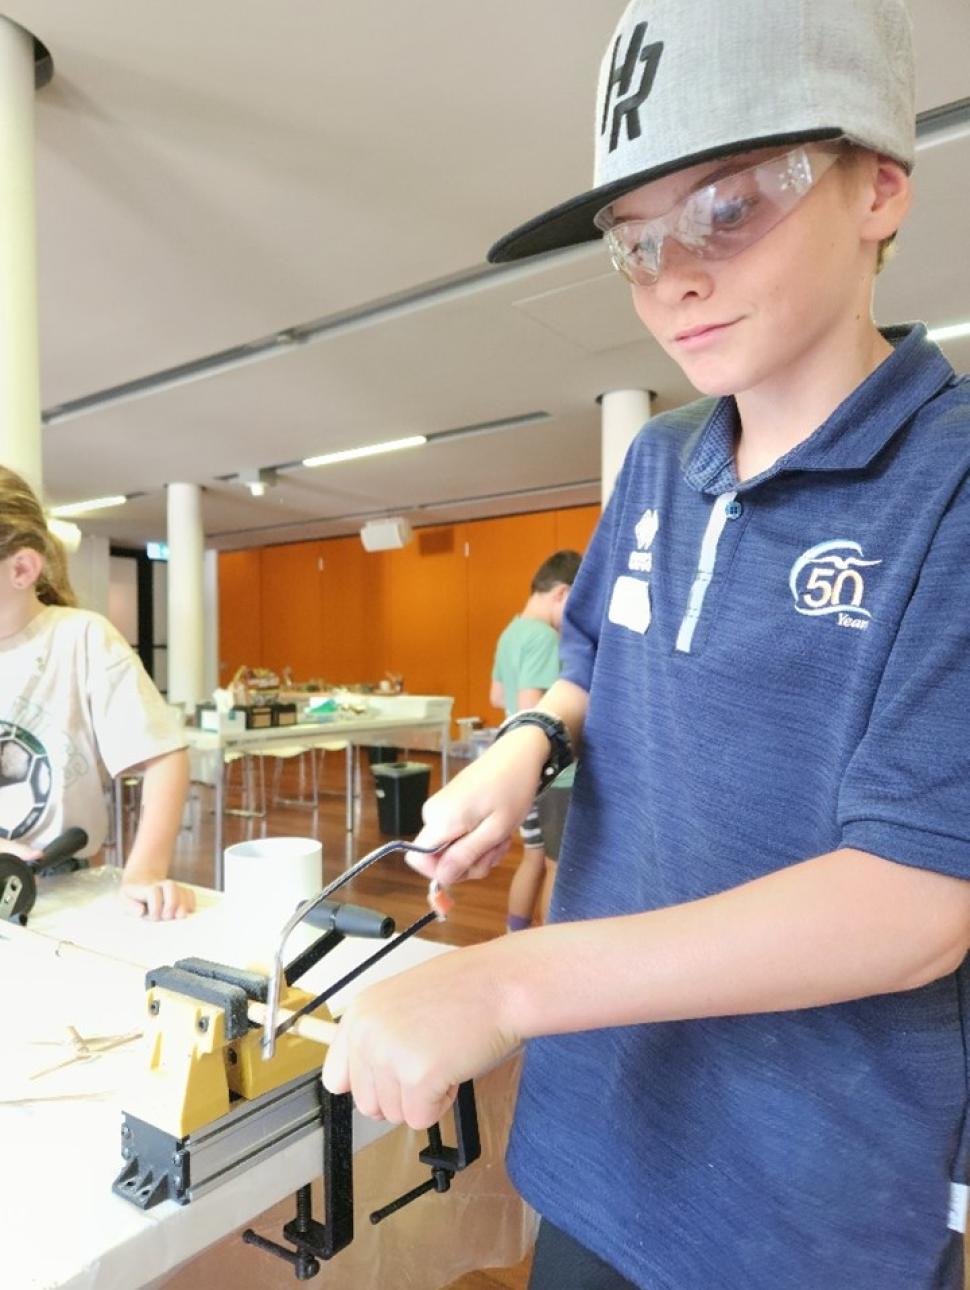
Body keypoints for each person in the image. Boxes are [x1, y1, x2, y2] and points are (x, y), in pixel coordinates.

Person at [323, 2, 970, 1286]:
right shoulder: (659, 460)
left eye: (728, 208)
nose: (674, 275)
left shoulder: (949, 486)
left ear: (879, 189)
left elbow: (914, 900)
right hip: (599, 1131)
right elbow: (594, 674)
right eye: (634, 240)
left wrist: (502, 986)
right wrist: (524, 747)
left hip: (804, 1200)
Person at [0, 466, 196, 919]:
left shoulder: (82, 639)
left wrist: (144, 870)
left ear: (22, 569)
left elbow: (164, 755)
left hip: (65, 889)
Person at [490, 549, 581, 931]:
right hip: (555, 775)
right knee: (557, 865)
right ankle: (544, 948)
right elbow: (531, 705)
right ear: (561, 593)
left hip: (523, 772)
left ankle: (516, 936)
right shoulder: (544, 637)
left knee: (533, 858)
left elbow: (498, 696)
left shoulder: (511, 632)